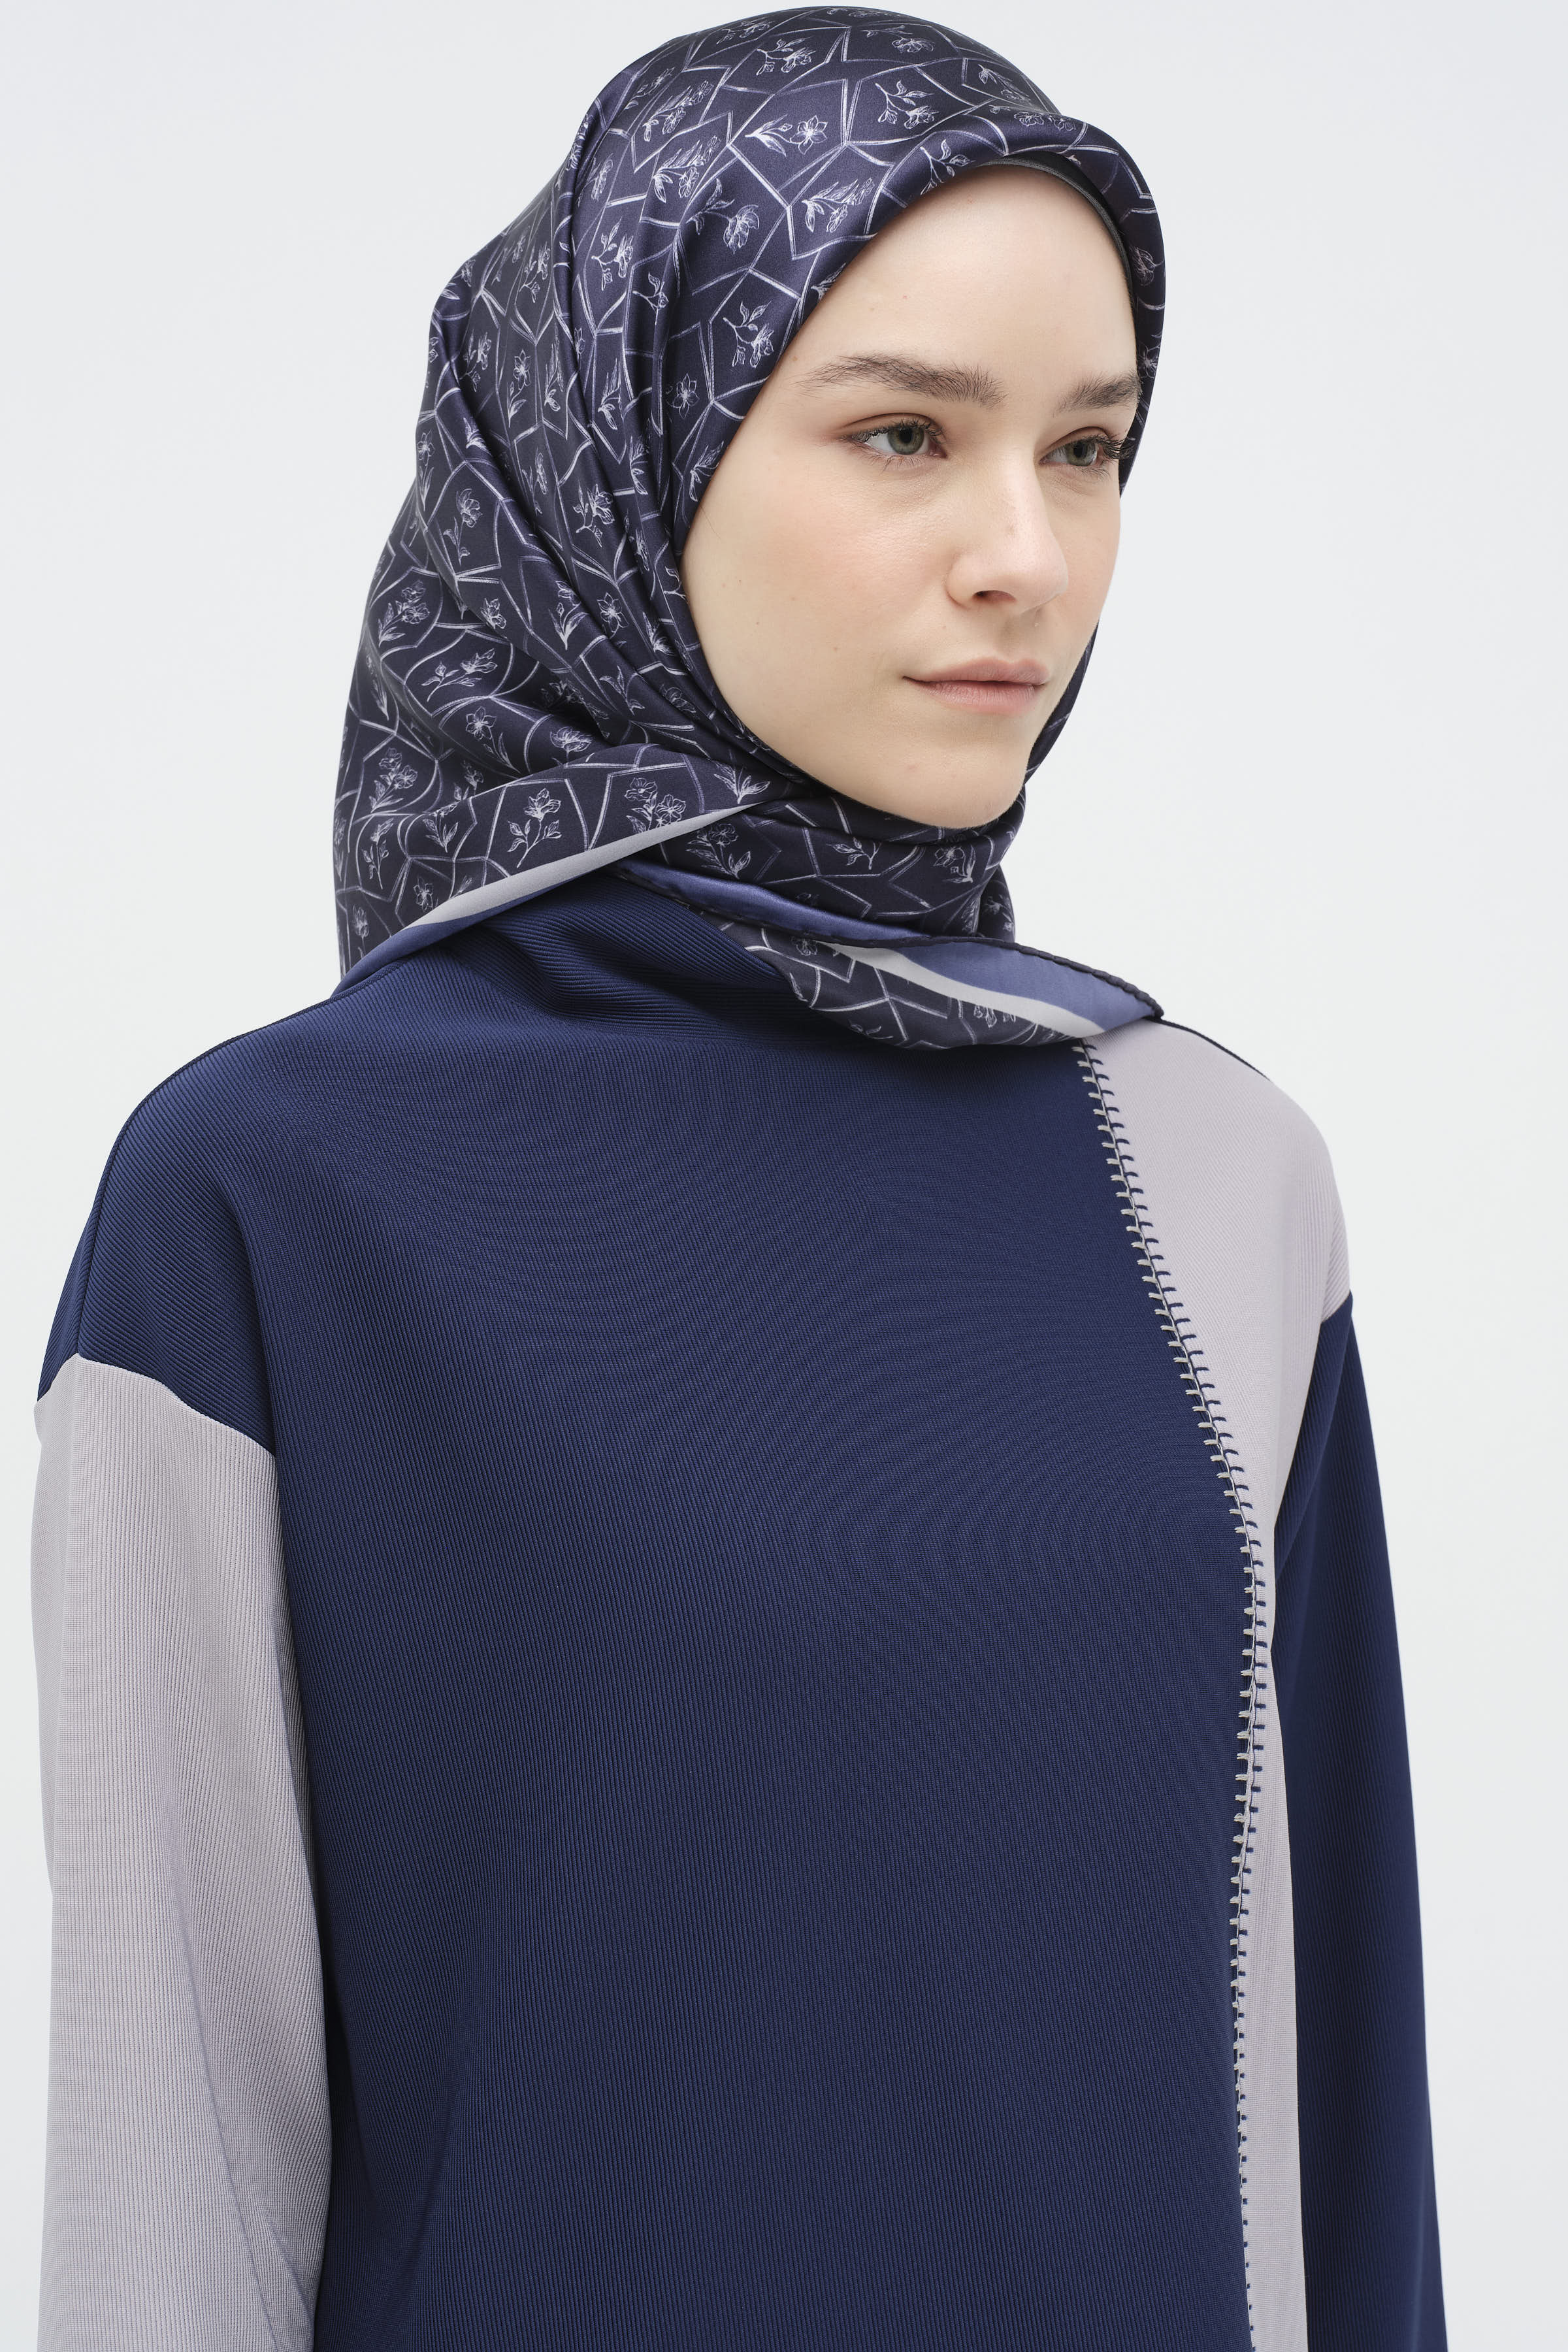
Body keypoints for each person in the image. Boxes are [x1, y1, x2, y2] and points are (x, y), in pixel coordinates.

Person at [29, 10, 1445, 2347]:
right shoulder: (273, 1207)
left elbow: (1346, 2136)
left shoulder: (1218, 1173)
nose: (1026, 556)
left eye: (1089, 449)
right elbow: (163, 2204)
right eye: (904, 434)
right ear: (621, 442)